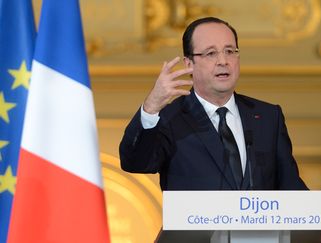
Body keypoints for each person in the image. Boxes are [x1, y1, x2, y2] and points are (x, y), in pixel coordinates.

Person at [119, 17, 308, 191]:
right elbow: (135, 163)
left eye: (230, 51)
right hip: (195, 229)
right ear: (189, 64)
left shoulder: (267, 116)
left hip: (259, 229)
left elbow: (291, 185)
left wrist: (319, 226)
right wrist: (151, 106)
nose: (223, 61)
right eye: (211, 53)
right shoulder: (170, 118)